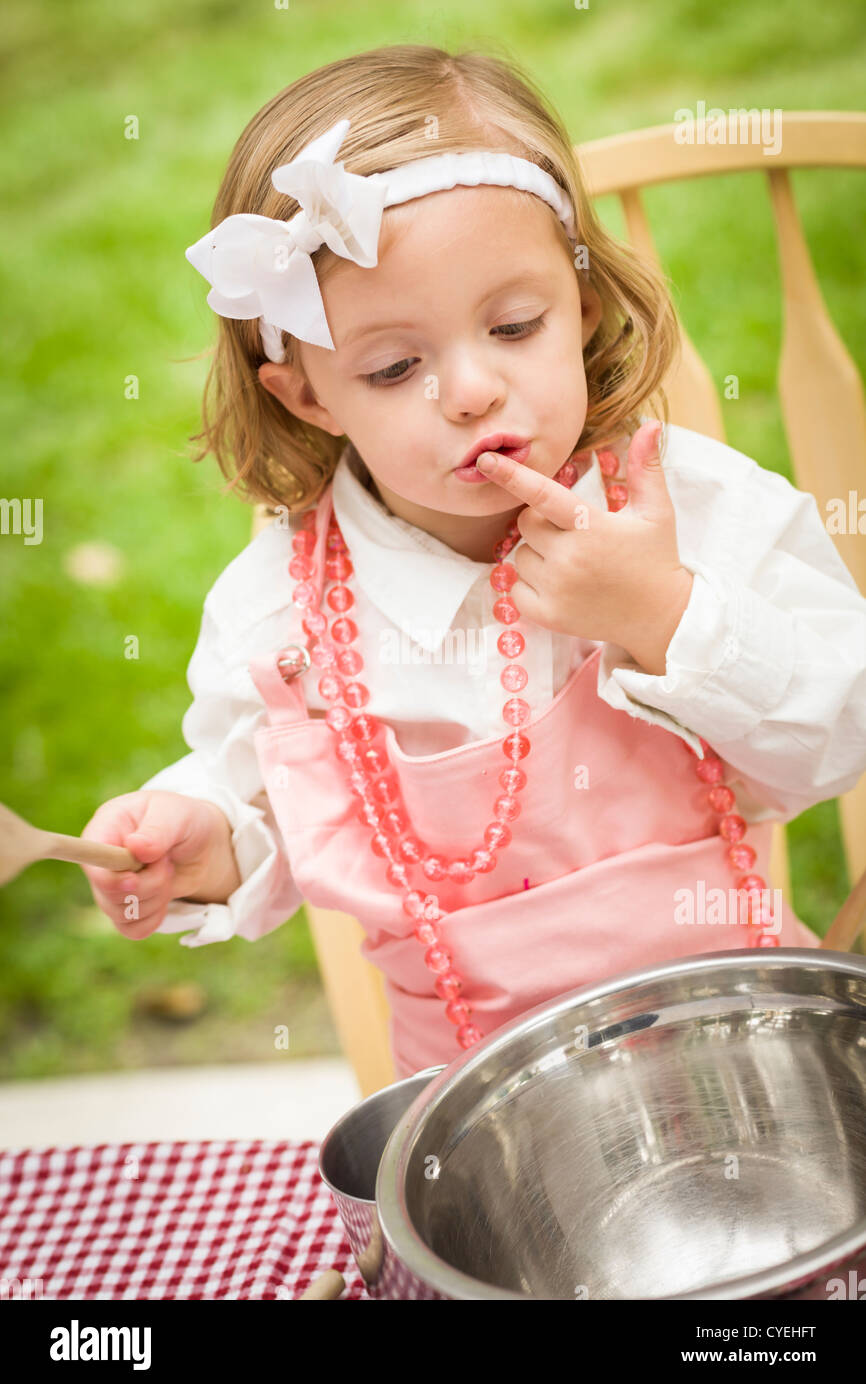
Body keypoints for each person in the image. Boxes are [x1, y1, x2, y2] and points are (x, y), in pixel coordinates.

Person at [82, 44, 866, 1078]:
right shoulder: (284, 611)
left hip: (749, 1059)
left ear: (579, 307)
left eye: (512, 324)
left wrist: (663, 612)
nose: (468, 389)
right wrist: (200, 839)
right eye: (394, 364)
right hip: (480, 1125)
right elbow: (262, 806)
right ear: (310, 396)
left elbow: (837, 733)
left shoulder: (684, 507)